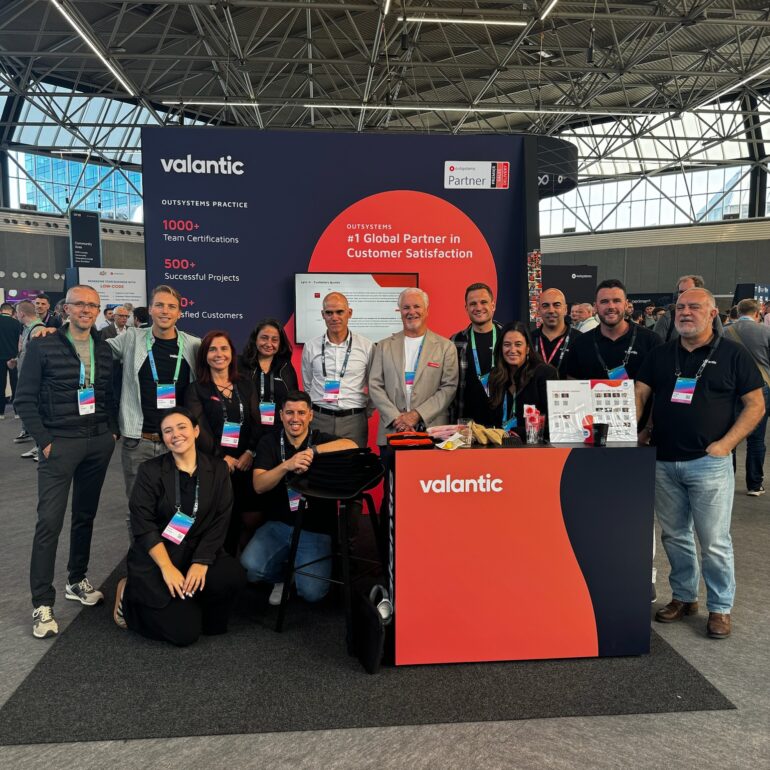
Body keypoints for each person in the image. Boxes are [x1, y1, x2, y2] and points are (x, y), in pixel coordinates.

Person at [635, 288, 764, 639]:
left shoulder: (733, 355)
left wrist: (726, 444)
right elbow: (642, 394)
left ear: (713, 314)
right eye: (680, 307)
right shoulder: (661, 355)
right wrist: (638, 429)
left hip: (709, 463)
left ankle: (720, 607)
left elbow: (755, 405)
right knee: (675, 536)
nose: (685, 313)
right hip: (663, 460)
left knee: (714, 540)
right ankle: (684, 596)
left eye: (694, 307)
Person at [14, 285, 118, 639]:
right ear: (66, 309)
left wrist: (112, 433)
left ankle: (77, 580)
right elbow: (24, 400)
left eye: (93, 305)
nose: (86, 310)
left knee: (85, 516)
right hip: (59, 445)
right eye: (80, 304)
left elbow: (110, 395)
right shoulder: (43, 345)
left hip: (97, 442)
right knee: (49, 523)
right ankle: (42, 602)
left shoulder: (105, 349)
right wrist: (44, 442)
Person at [114, 407, 246, 646]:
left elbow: (221, 519)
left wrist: (201, 561)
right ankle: (128, 598)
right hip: (160, 555)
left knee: (231, 577)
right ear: (163, 438)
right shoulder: (150, 471)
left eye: (182, 427)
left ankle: (191, 602)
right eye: (168, 430)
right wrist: (167, 567)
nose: (176, 434)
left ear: (196, 431)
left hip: (198, 550)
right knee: (184, 634)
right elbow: (142, 524)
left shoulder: (217, 469)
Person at [240, 391, 356, 604]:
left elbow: (351, 446)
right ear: (281, 414)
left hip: (315, 529)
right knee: (250, 568)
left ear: (310, 415)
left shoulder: (320, 439)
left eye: (301, 413)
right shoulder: (269, 442)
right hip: (279, 524)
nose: (295, 418)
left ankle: (297, 572)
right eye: (290, 412)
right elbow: (259, 485)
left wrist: (312, 452)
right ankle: (282, 577)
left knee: (313, 593)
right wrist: (287, 465)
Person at [106, 285, 200, 507]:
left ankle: (171, 544)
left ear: (180, 313)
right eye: (159, 305)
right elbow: (96, 348)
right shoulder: (132, 338)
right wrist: (60, 332)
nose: (165, 311)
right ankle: (142, 544)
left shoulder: (193, 345)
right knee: (139, 507)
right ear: (150, 309)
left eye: (171, 307)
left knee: (179, 504)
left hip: (178, 441)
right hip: (139, 441)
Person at [186, 330, 262, 553]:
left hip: (247, 462)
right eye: (212, 349)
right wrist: (222, 457)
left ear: (232, 353)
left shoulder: (245, 384)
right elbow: (199, 430)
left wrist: (250, 452)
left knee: (251, 518)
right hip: (215, 464)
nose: (219, 354)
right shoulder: (196, 389)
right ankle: (223, 563)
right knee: (222, 519)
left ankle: (247, 561)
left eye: (224, 348)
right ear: (204, 356)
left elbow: (257, 421)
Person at [368, 288, 459, 442]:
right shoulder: (383, 346)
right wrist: (397, 418)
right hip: (392, 429)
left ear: (426, 310)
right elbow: (375, 385)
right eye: (406, 307)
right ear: (400, 311)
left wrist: (417, 415)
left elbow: (449, 388)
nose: (411, 312)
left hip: (432, 431)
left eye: (417, 306)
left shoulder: (446, 347)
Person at [301, 292, 373, 449]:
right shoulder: (310, 347)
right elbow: (308, 384)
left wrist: (362, 411)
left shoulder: (366, 347)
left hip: (354, 421)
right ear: (323, 315)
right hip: (319, 419)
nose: (334, 317)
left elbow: (374, 385)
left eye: (339, 312)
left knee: (353, 469)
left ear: (349, 313)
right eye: (329, 313)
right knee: (320, 468)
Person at [563, 279, 661, 382]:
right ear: (595, 307)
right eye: (604, 302)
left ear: (626, 304)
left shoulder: (651, 341)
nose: (611, 306)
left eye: (617, 301)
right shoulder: (580, 344)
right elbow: (573, 384)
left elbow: (661, 384)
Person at [723, 299, 770, 496]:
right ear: (758, 313)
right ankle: (754, 484)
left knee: (729, 436)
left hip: (730, 389)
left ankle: (727, 481)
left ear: (737, 311)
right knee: (757, 438)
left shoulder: (725, 332)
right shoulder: (766, 331)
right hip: (761, 388)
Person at [488, 321, 558, 441]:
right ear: (500, 348)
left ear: (527, 348)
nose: (512, 350)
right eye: (507, 344)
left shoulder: (545, 373)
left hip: (534, 449)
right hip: (499, 447)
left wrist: (516, 432)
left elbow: (554, 425)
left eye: (518, 344)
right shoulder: (495, 376)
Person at [448, 282, 503, 425]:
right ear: (466, 308)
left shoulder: (508, 337)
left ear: (493, 305)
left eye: (483, 302)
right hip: (465, 426)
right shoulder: (455, 341)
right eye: (473, 304)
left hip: (503, 425)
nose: (478, 308)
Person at [239, 318, 297, 435]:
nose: (269, 344)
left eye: (274, 340)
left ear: (280, 343)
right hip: (246, 431)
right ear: (255, 339)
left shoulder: (286, 366)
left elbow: (293, 399)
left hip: (278, 431)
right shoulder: (240, 364)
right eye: (264, 338)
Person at [653, 275, 724, 342]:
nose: (683, 294)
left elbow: (720, 342)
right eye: (681, 291)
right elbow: (656, 347)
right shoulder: (667, 318)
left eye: (689, 290)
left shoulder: (711, 315)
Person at [12, 300, 42, 448]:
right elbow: (27, 353)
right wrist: (16, 360)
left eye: (17, 312)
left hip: (34, 379)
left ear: (21, 313)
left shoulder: (38, 330)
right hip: (26, 377)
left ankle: (40, 447)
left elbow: (39, 357)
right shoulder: (27, 329)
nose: (16, 315)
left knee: (37, 410)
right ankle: (36, 443)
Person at [531, 288, 579, 377]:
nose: (551, 310)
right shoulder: (529, 340)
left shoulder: (580, 340)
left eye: (556, 305)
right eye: (545, 306)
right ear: (539, 310)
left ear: (565, 309)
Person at [0, 302, 21, 419]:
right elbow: (20, 342)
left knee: (0, 385)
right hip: (13, 358)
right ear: (12, 312)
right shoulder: (17, 323)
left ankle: (1, 413)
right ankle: (17, 412)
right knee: (15, 385)